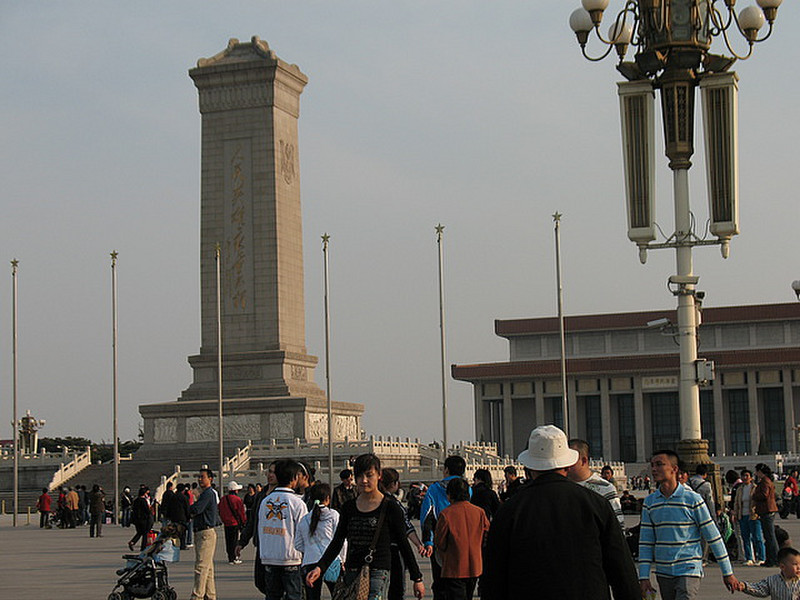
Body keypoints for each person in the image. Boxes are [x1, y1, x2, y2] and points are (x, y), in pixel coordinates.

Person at [483, 425, 639, 600]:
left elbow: (494, 578)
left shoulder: (510, 510)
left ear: (530, 466)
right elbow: (622, 570)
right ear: (567, 464)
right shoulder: (596, 504)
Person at [307, 453, 425, 600]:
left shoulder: (391, 507)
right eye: (359, 476)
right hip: (352, 570)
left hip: (379, 570)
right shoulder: (349, 508)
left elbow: (403, 543)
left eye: (369, 475)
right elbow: (337, 541)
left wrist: (417, 578)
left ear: (379, 475)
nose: (364, 480)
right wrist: (320, 567)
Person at [639, 450, 739, 599]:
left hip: (688, 568)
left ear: (674, 469)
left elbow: (713, 536)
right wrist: (643, 576)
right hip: (663, 570)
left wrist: (727, 572)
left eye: (659, 464)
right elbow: (646, 542)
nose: (654, 469)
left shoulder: (692, 499)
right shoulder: (650, 502)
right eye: (652, 465)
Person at [249, 458, 308, 600]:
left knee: (272, 596)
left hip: (269, 559)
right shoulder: (297, 503)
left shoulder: (265, 501)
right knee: (294, 596)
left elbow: (260, 529)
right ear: (294, 479)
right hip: (291, 560)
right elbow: (304, 533)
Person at [421, 455, 468, 600]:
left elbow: (426, 517)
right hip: (463, 543)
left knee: (440, 584)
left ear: (446, 470)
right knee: (461, 584)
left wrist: (428, 542)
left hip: (440, 543)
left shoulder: (434, 489)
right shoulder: (468, 489)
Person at [434, 477, 489, 600]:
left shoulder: (446, 514)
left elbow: (440, 542)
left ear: (450, 495)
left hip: (454, 567)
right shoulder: (479, 512)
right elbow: (487, 535)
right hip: (474, 566)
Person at [381, 467, 427, 600]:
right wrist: (419, 544)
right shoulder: (395, 505)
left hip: (374, 553)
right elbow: (406, 528)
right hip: (394, 551)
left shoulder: (367, 502)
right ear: (395, 484)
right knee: (396, 589)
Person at [294, 483, 345, 600]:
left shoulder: (304, 519)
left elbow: (297, 544)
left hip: (310, 561)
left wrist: (308, 549)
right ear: (327, 498)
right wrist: (343, 560)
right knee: (338, 595)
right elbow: (341, 540)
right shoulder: (333, 515)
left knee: (312, 597)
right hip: (331, 562)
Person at [567, 438, 625, 527]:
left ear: (584, 460)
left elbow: (617, 524)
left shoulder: (605, 488)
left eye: (570, 459)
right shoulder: (561, 487)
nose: (566, 464)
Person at [189, 468, 220, 600]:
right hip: (203, 532)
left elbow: (196, 509)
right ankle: (210, 595)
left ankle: (197, 596)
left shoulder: (207, 493)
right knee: (207, 568)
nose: (200, 479)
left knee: (201, 567)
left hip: (205, 533)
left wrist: (193, 499)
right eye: (199, 477)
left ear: (210, 479)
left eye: (203, 477)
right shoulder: (207, 493)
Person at [735, 546, 800, 598]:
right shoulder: (772, 581)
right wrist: (745, 586)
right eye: (795, 564)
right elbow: (760, 589)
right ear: (782, 567)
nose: (798, 567)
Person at [734, 469, 766, 566]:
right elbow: (736, 502)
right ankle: (749, 558)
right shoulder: (740, 489)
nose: (744, 478)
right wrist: (736, 514)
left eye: (747, 476)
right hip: (742, 515)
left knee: (757, 537)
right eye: (743, 476)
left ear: (751, 477)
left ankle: (761, 557)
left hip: (753, 516)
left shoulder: (755, 488)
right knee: (745, 538)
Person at [754, 463, 781, 568]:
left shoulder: (765, 481)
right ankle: (772, 558)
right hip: (767, 510)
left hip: (767, 510)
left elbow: (764, 495)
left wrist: (754, 495)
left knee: (770, 536)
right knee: (769, 536)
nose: (756, 473)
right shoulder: (766, 480)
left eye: (757, 471)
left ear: (761, 472)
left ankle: (774, 559)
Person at [218, 481, 246, 565]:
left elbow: (220, 510)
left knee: (228, 541)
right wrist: (243, 522)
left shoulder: (223, 499)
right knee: (234, 540)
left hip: (226, 523)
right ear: (235, 490)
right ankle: (234, 557)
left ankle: (230, 557)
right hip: (234, 523)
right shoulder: (237, 499)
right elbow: (241, 512)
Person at [165, 482, 191, 550]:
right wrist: (188, 517)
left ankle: (172, 545)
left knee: (174, 531)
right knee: (182, 532)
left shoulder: (173, 496)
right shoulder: (184, 497)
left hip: (174, 517)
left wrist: (168, 516)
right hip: (182, 517)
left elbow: (169, 507)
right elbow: (187, 508)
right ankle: (182, 545)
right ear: (183, 490)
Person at [129, 487, 154, 552]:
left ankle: (132, 542)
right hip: (143, 519)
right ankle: (143, 547)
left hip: (137, 519)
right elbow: (147, 511)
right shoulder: (143, 501)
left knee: (139, 532)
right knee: (145, 533)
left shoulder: (136, 500)